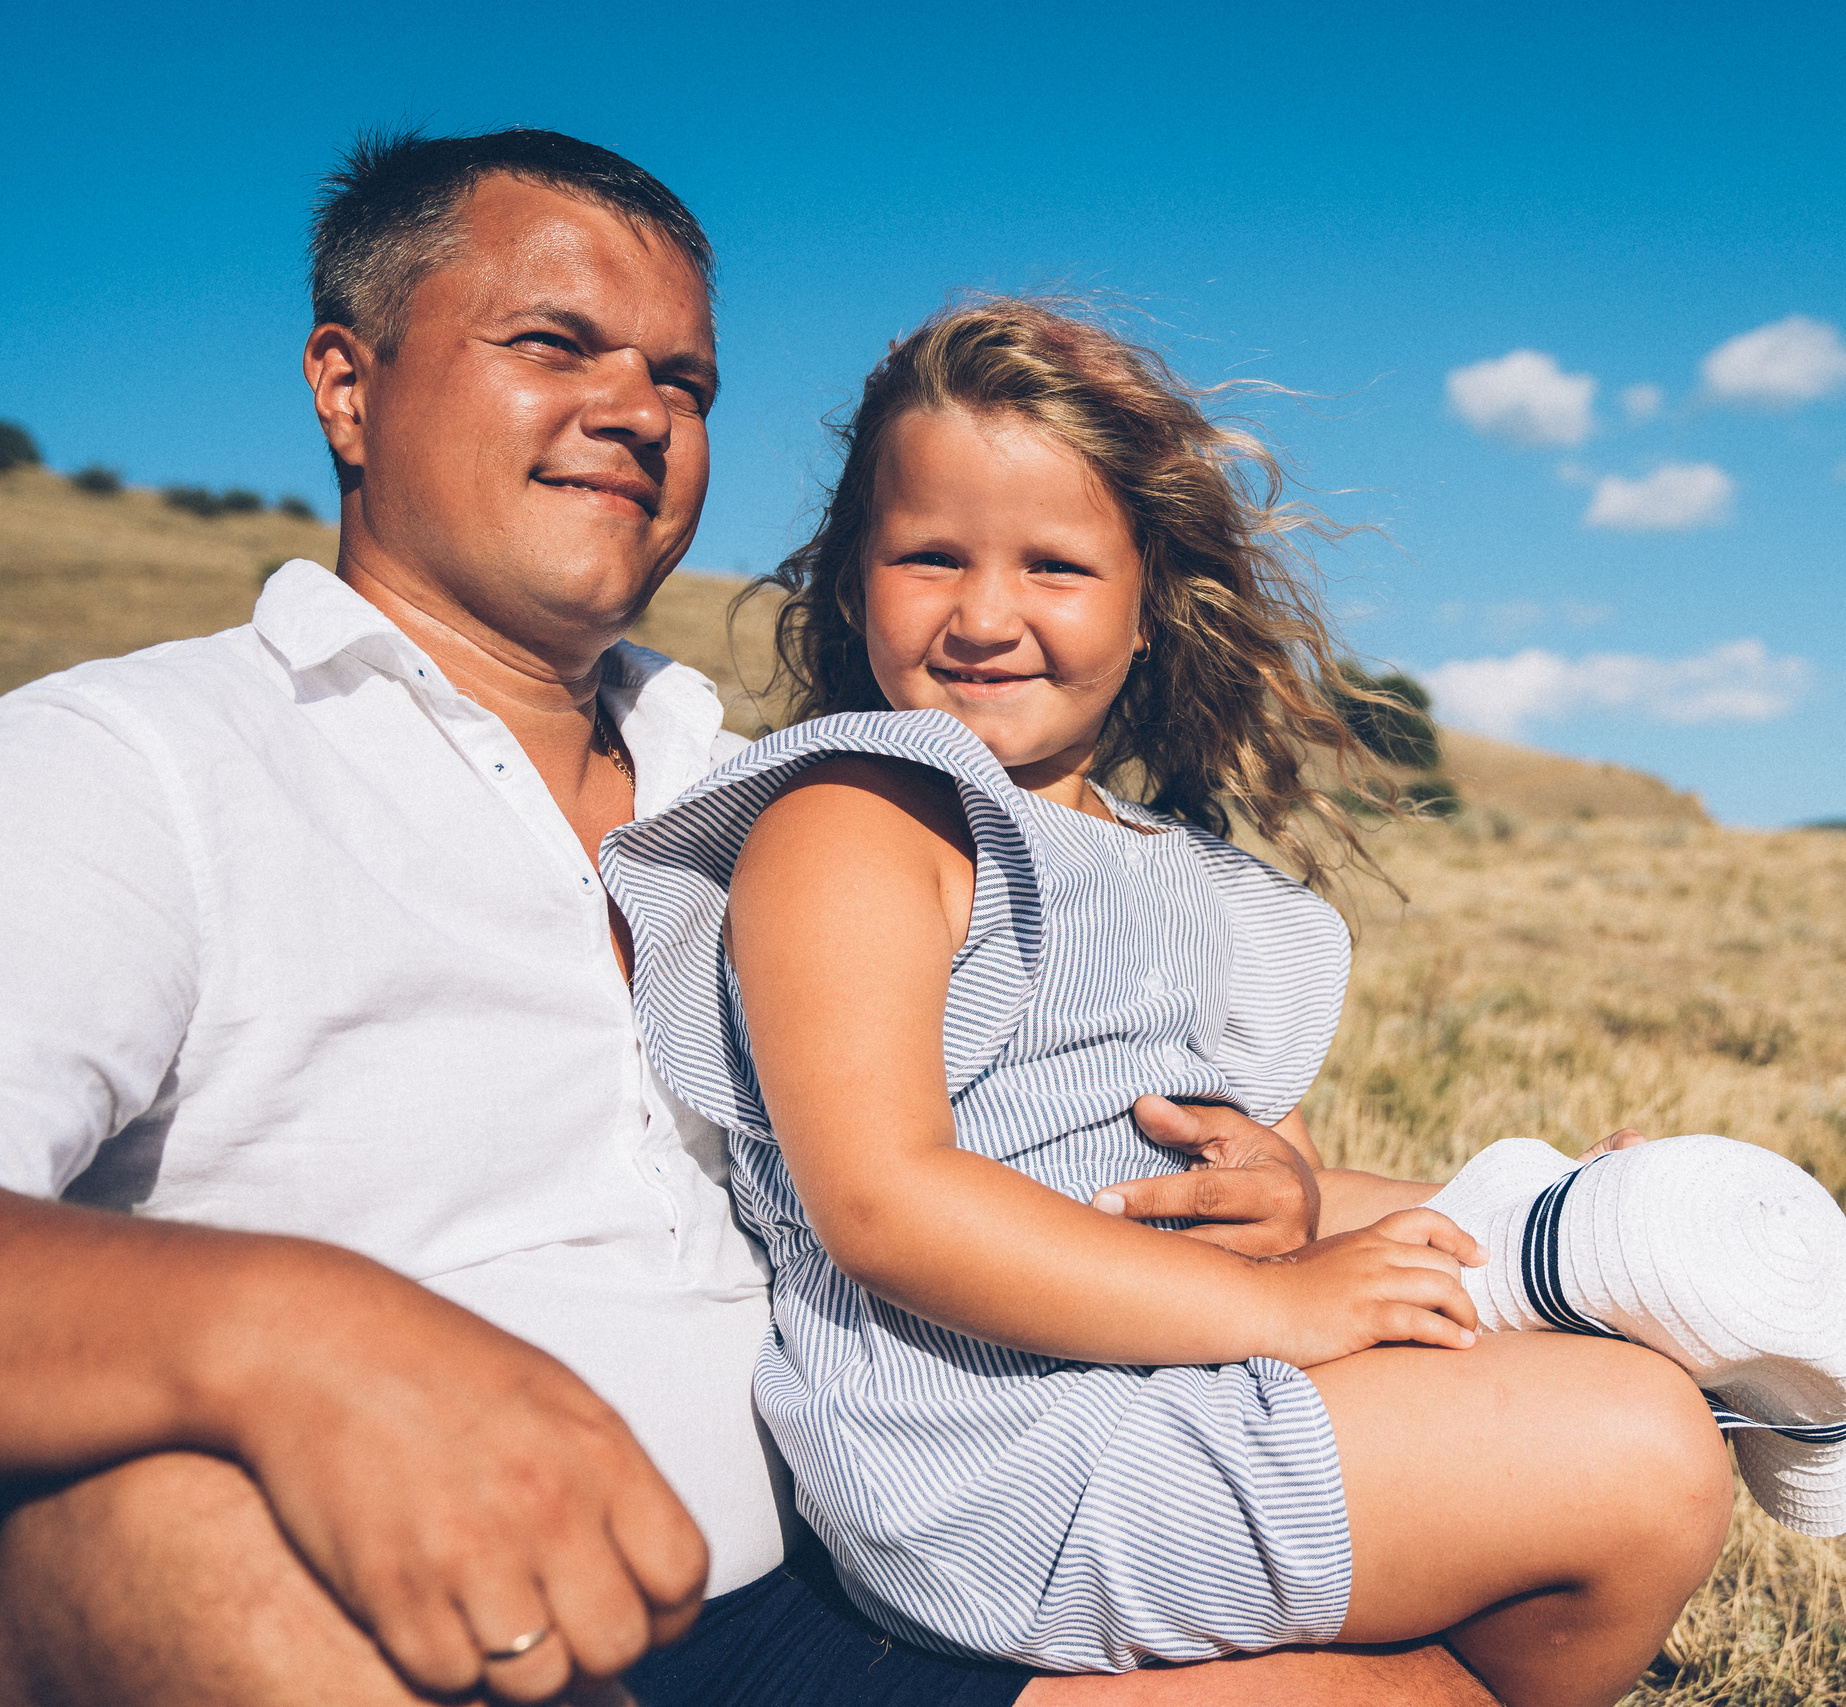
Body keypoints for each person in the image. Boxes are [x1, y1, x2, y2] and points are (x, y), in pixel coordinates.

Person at [0, 129, 1503, 1707]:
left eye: (685, 382)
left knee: (1431, 1667)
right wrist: (299, 1335)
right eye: (549, 343)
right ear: (348, 386)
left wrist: (1276, 1192)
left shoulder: (785, 791)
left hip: (851, 1583)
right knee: (157, 1542)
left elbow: (1025, 1144)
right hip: (414, 1609)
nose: (635, 410)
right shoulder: (133, 763)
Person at [598, 300, 1756, 1707]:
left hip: (1173, 1381)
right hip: (991, 1456)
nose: (982, 614)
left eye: (1055, 566)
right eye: (929, 557)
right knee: (1640, 1454)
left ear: (1152, 603)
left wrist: (1520, 1212)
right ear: (851, 583)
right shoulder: (862, 818)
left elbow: (1279, 1197)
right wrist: (1274, 1310)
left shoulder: (1176, 876)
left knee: (1636, 1360)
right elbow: (884, 1204)